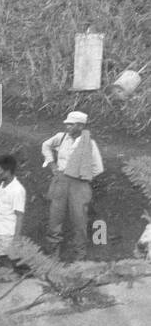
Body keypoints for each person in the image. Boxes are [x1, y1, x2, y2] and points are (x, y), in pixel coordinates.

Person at [41, 110, 103, 260]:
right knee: (55, 217)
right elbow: (45, 145)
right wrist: (52, 164)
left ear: (80, 126)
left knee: (79, 220)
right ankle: (52, 257)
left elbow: (98, 167)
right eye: (67, 124)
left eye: (71, 124)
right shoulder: (61, 137)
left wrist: (85, 177)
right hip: (61, 181)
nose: (67, 126)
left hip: (79, 185)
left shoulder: (89, 143)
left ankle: (79, 259)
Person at [0, 154, 26, 267]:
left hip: (7, 233)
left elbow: (19, 215)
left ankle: (10, 282)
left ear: (8, 171)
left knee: (7, 262)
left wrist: (16, 238)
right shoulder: (2, 186)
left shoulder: (17, 190)